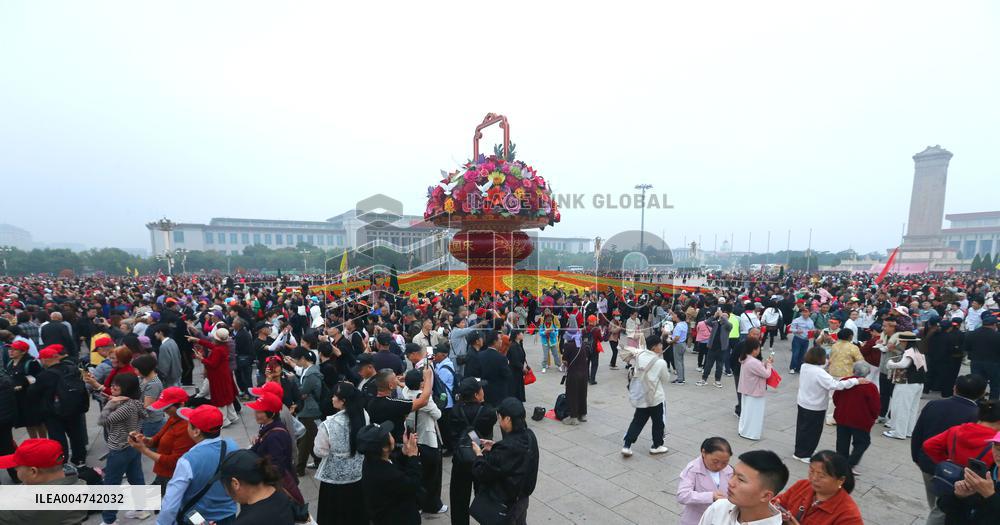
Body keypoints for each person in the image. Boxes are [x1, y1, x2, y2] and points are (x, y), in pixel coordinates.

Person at [910, 374, 987, 524]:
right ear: (982, 393)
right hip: (956, 470)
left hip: (928, 463)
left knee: (936, 504)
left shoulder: (934, 405)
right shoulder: (978, 416)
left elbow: (917, 434)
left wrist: (917, 458)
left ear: (955, 388)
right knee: (942, 509)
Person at [157, 405, 239, 525]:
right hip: (229, 516)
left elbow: (170, 503)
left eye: (189, 424)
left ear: (196, 431)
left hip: (198, 519)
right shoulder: (232, 446)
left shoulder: (187, 461)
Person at [470, 397, 540, 525]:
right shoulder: (530, 435)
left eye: (499, 417)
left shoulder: (507, 448)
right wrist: (495, 446)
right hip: (522, 498)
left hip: (507, 503)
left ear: (507, 419)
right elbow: (516, 456)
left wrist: (479, 455)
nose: (498, 421)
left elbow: (482, 472)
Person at [793, 347, 869, 463]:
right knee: (812, 431)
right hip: (815, 406)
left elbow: (820, 370)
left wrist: (828, 364)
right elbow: (835, 385)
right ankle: (804, 454)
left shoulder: (805, 366)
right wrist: (855, 381)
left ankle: (800, 451)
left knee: (802, 428)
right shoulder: (819, 373)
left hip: (803, 402)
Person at [314, 382, 369, 525]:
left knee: (334, 514)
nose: (332, 398)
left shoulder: (329, 424)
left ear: (343, 401)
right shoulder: (363, 415)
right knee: (355, 512)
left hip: (334, 479)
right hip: (358, 473)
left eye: (334, 396)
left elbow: (319, 451)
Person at [98, 372, 149, 525]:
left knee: (111, 484)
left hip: (119, 449)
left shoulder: (124, 408)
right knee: (136, 477)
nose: (112, 387)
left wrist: (110, 404)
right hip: (133, 445)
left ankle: (109, 520)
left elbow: (103, 420)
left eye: (117, 385)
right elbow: (145, 414)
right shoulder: (135, 402)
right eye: (113, 384)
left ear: (126, 388)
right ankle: (141, 510)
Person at [0, 438, 87, 525]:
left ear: (33, 472)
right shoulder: (75, 483)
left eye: (17, 467)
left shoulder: (31, 505)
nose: (15, 469)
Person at [130, 386, 196, 495]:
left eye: (167, 407)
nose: (164, 410)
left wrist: (144, 450)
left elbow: (174, 462)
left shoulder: (186, 427)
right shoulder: (174, 417)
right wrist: (145, 439)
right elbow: (157, 438)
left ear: (181, 405)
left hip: (174, 477)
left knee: (170, 509)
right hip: (163, 474)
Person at [449, 377, 497, 525]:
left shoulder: (455, 410)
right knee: (484, 494)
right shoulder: (488, 412)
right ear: (476, 395)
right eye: (481, 389)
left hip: (461, 458)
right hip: (481, 457)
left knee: (459, 497)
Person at [697, 449, 789, 525]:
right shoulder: (720, 507)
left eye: (741, 480)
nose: (730, 482)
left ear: (765, 496)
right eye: (733, 474)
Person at [401, 368, 447, 514]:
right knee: (431, 476)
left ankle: (418, 504)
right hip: (427, 440)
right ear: (421, 383)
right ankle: (433, 505)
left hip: (411, 439)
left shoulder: (405, 393)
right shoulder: (424, 398)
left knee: (417, 473)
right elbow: (438, 414)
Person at [33, 346, 89, 466]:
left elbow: (34, 393)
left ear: (45, 360)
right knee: (76, 435)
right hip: (75, 408)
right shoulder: (72, 368)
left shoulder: (45, 375)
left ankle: (62, 462)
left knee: (58, 439)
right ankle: (80, 460)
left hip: (54, 412)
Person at [774, 450, 864, 524]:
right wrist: (776, 512)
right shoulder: (802, 485)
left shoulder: (849, 515)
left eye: (822, 476)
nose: (813, 478)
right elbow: (778, 503)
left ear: (840, 480)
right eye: (811, 471)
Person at [359, 421, 422, 525]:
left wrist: (404, 452)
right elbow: (413, 484)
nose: (391, 435)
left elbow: (394, 464)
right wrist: (413, 456)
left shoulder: (372, 461)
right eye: (389, 435)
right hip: (398, 518)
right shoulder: (386, 474)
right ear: (384, 447)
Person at [246, 392, 304, 504]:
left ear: (271, 414)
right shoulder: (270, 428)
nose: (255, 414)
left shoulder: (275, 436)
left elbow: (276, 467)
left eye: (259, 412)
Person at [621, 334, 672, 456]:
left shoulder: (640, 355)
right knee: (658, 422)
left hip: (641, 395)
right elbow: (666, 379)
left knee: (637, 421)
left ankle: (627, 445)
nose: (661, 346)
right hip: (655, 397)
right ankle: (656, 445)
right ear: (655, 347)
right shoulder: (661, 362)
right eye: (660, 344)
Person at [935, 430, 1000, 525]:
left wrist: (990, 495)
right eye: (997, 448)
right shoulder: (985, 472)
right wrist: (958, 496)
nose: (998, 454)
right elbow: (943, 505)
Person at [219, 449, 296, 525]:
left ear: (235, 484)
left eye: (224, 485)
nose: (227, 492)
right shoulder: (279, 492)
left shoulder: (247, 521)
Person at [832, 361, 880, 471]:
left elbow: (836, 398)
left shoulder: (845, 381)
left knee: (842, 443)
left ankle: (841, 465)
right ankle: (849, 464)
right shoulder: (870, 387)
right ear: (867, 373)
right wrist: (873, 417)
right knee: (863, 442)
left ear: (853, 371)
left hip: (842, 417)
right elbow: (875, 406)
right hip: (860, 421)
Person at [367, 366, 433, 445]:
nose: (397, 380)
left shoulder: (371, 403)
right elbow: (423, 401)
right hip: (397, 445)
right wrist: (428, 378)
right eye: (395, 378)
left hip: (380, 444)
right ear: (390, 385)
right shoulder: (394, 404)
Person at [189, 329, 240, 426]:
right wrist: (197, 340)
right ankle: (232, 417)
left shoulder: (218, 350)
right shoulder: (224, 346)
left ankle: (224, 420)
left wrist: (201, 359)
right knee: (227, 397)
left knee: (220, 398)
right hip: (224, 375)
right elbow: (211, 345)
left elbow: (212, 364)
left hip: (218, 376)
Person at [677, 437, 734, 525]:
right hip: (697, 519)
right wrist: (711, 496)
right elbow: (682, 495)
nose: (719, 466)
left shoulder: (729, 470)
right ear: (704, 453)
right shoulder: (693, 470)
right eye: (715, 461)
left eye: (724, 462)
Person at [883, 332, 926, 440]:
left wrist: (891, 364)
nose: (900, 343)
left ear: (905, 341)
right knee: (912, 408)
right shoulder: (918, 351)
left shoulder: (909, 352)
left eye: (901, 341)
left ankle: (899, 432)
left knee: (902, 407)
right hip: (918, 383)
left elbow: (904, 364)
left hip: (908, 383)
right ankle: (908, 431)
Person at [288, 347, 322, 476]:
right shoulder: (309, 370)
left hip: (310, 409)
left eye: (296, 360)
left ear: (303, 359)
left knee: (304, 440)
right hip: (308, 407)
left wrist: (294, 380)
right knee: (311, 437)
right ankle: (317, 461)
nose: (296, 363)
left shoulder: (311, 374)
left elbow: (302, 392)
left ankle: (299, 468)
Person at [5, 339, 46, 438]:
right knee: (27, 423)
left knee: (37, 422)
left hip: (31, 398)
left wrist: (23, 385)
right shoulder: (10, 363)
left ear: (23, 352)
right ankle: (34, 442)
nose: (11, 351)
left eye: (15, 349)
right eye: (10, 349)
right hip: (18, 398)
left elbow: (37, 379)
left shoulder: (31, 362)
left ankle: (43, 441)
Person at [737, 339, 773, 441]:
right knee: (755, 414)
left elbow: (759, 370)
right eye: (758, 348)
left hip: (747, 390)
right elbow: (766, 374)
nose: (759, 350)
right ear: (754, 350)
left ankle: (743, 430)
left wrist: (765, 364)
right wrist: (769, 365)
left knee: (746, 413)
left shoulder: (745, 358)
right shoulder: (753, 362)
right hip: (755, 391)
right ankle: (751, 433)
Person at [464, 330, 512, 405]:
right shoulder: (501, 358)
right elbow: (507, 375)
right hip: (498, 394)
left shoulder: (479, 355)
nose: (501, 341)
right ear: (495, 341)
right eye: (500, 339)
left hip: (483, 391)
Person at [963, 313, 1000, 400]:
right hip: (993, 363)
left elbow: (966, 348)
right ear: (994, 325)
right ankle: (993, 403)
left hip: (976, 362)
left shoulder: (971, 334)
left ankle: (978, 401)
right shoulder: (997, 336)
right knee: (995, 384)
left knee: (977, 383)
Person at [561, 324, 590, 424]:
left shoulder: (568, 345)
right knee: (582, 393)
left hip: (574, 374)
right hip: (584, 373)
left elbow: (564, 361)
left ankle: (573, 417)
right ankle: (583, 414)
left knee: (572, 394)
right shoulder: (581, 343)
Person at [697, 308, 732, 387]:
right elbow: (707, 322)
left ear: (728, 318)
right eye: (723, 316)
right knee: (708, 364)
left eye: (726, 316)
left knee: (719, 366)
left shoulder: (728, 325)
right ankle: (704, 379)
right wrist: (715, 315)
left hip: (722, 348)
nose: (723, 317)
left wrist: (721, 316)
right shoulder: (716, 323)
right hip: (712, 347)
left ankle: (717, 381)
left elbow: (727, 324)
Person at [133, 353, 166, 436]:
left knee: (149, 444)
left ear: (144, 369)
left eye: (136, 369)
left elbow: (146, 406)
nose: (135, 371)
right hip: (145, 419)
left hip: (151, 421)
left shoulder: (153, 384)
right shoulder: (143, 378)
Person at [153, 324, 182, 388]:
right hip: (177, 374)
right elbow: (179, 357)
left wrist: (161, 377)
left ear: (160, 332)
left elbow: (164, 366)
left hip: (170, 379)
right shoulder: (172, 341)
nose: (155, 334)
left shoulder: (163, 347)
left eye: (156, 332)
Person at [789, 308, 815, 374]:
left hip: (806, 340)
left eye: (806, 312)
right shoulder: (797, 320)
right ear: (801, 313)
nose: (805, 313)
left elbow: (812, 329)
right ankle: (792, 368)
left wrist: (813, 332)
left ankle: (798, 368)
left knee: (803, 355)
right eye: (803, 312)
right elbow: (791, 329)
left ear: (809, 313)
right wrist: (797, 331)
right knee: (795, 354)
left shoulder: (811, 321)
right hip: (797, 339)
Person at [670, 310, 690, 384]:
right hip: (683, 343)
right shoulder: (684, 324)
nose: (674, 316)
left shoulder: (678, 325)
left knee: (678, 362)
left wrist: (671, 341)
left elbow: (677, 338)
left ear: (678, 317)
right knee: (681, 362)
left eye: (675, 315)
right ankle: (681, 378)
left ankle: (680, 379)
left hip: (678, 344)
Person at [507, 330, 527, 402]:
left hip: (519, 371)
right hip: (514, 371)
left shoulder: (519, 344)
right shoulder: (513, 346)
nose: (523, 334)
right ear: (517, 335)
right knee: (515, 388)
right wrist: (522, 367)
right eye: (521, 333)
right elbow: (514, 360)